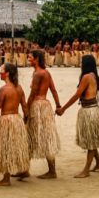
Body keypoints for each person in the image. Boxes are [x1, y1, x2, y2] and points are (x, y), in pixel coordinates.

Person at [57, 55, 99, 177]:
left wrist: (63, 109)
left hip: (90, 112)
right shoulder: (95, 76)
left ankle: (86, 170)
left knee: (91, 142)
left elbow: (76, 95)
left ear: (86, 64)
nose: (80, 64)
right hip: (94, 110)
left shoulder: (86, 77)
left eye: (82, 62)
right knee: (91, 138)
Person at [0, 63, 31, 186]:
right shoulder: (19, 88)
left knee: (6, 148)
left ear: (7, 73)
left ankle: (6, 179)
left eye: (2, 70)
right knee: (16, 146)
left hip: (6, 120)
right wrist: (25, 119)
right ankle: (23, 170)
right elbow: (24, 106)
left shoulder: (3, 90)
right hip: (17, 120)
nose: (0, 72)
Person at [24, 50, 62, 179]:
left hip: (38, 106)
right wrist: (58, 105)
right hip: (46, 105)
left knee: (31, 135)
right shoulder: (46, 72)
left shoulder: (38, 74)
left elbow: (32, 94)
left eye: (30, 57)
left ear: (36, 59)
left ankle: (28, 169)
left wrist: (26, 110)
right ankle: (28, 169)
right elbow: (54, 90)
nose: (28, 59)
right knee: (46, 136)